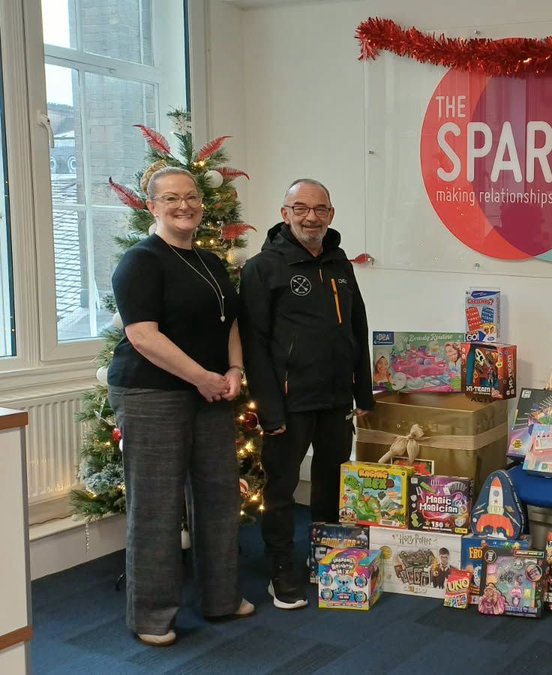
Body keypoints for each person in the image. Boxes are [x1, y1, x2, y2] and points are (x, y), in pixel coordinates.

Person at [108, 167, 252, 646]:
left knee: (219, 497)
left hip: (209, 391)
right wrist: (203, 378)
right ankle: (152, 616)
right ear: (152, 206)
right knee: (156, 507)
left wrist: (233, 371)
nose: (184, 205)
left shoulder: (210, 262)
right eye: (171, 198)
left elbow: (230, 321)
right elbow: (142, 336)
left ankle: (221, 599)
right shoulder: (140, 262)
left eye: (191, 197)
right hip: (151, 393)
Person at [240, 179, 374, 610]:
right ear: (284, 214)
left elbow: (358, 329)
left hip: (336, 400)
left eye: (319, 209)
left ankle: (327, 559)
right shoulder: (262, 268)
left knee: (331, 483)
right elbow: (255, 344)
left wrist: (363, 394)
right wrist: (268, 409)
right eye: (300, 208)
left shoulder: (340, 264)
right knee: (280, 489)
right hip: (288, 402)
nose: (310, 217)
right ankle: (282, 568)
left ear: (331, 215)